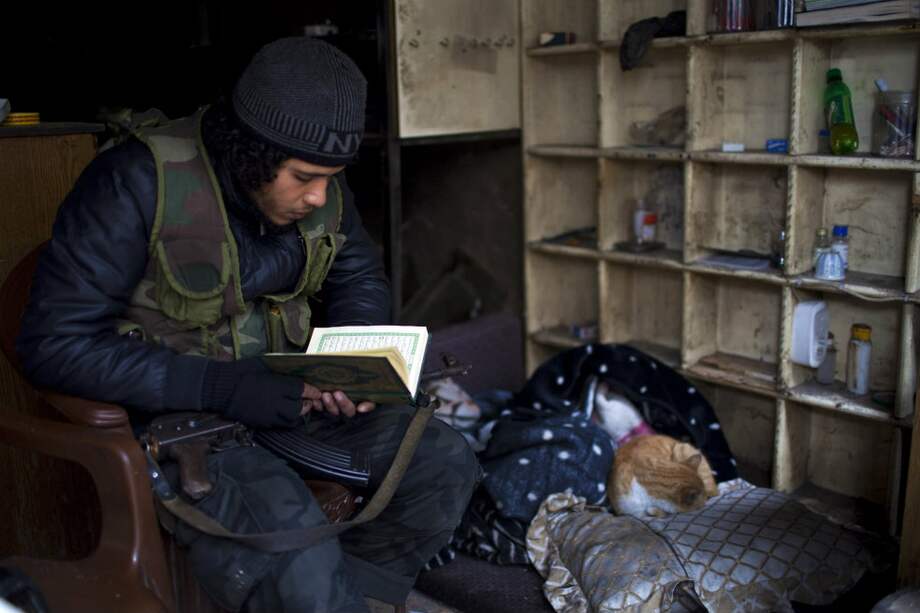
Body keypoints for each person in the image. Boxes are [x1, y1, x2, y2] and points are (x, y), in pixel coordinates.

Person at [16, 37, 478, 613]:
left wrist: (350, 366)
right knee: (294, 548)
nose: (319, 195)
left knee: (442, 464)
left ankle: (354, 601)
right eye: (303, 177)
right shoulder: (134, 183)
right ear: (250, 153)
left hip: (290, 402)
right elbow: (53, 344)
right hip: (188, 422)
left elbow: (357, 276)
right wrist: (223, 387)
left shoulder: (320, 188)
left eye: (331, 177)